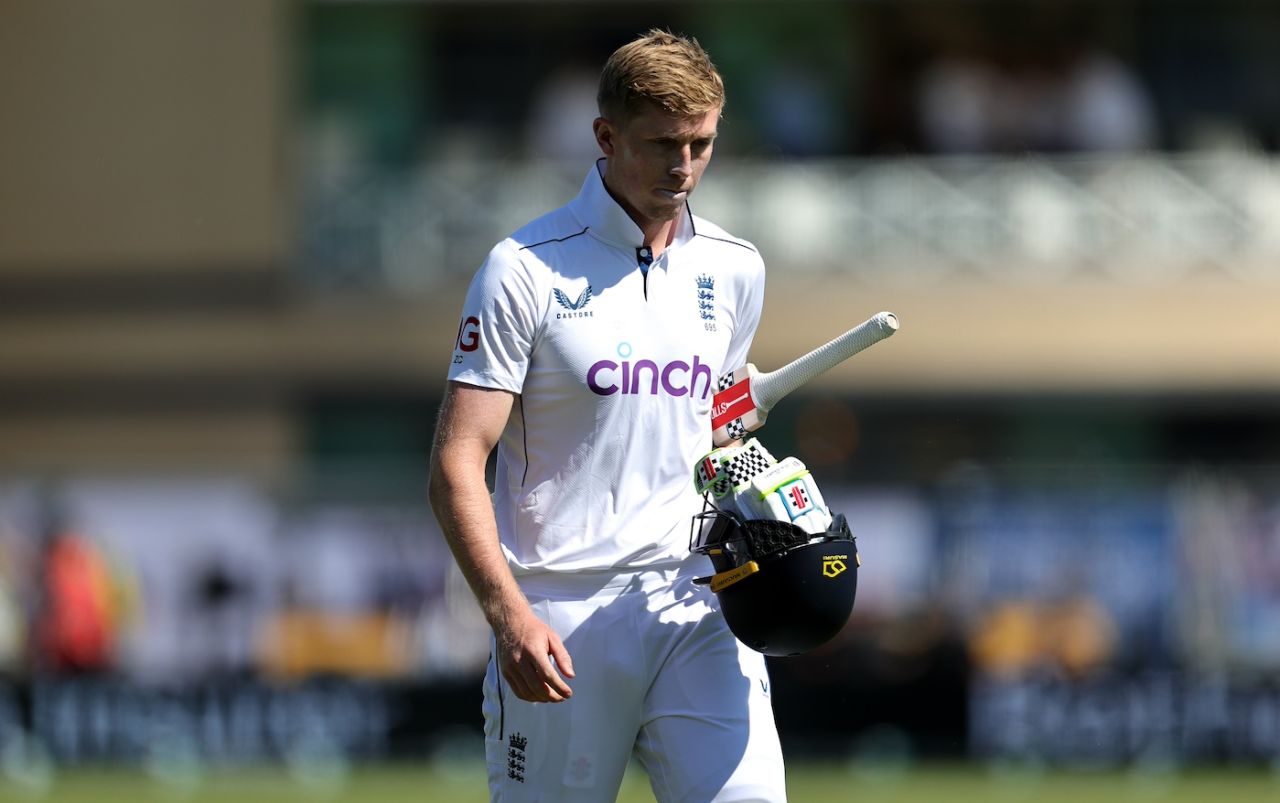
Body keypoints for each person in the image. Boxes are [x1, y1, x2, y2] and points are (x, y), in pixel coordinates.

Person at [429, 29, 787, 802]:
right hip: (560, 616)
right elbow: (457, 461)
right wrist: (507, 614)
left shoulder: (736, 268)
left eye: (701, 144)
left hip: (696, 601)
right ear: (605, 136)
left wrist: (763, 487)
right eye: (662, 144)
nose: (683, 165)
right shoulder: (522, 269)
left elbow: (710, 438)